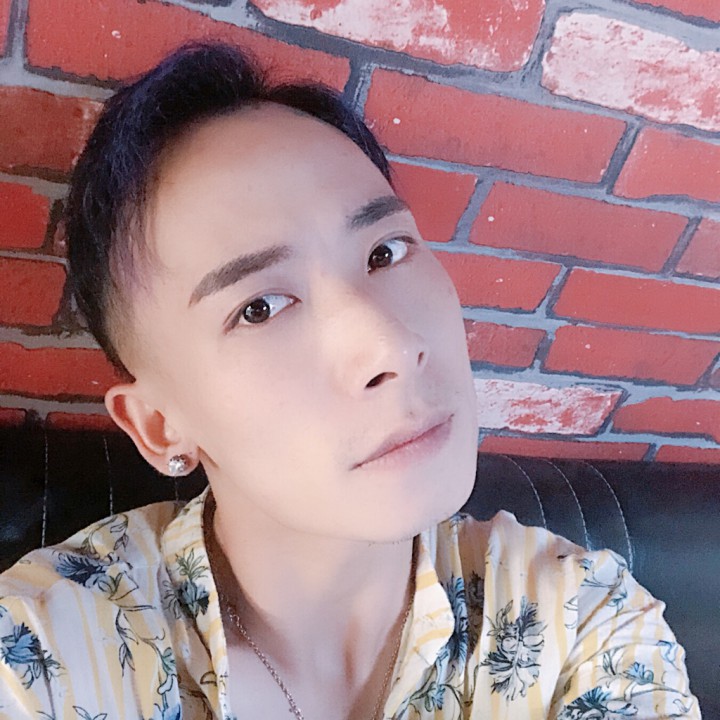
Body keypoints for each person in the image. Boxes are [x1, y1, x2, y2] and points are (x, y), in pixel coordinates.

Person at [0, 43, 699, 720]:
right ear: (160, 425)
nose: (390, 346)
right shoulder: (45, 657)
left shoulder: (585, 624)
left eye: (385, 251)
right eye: (259, 307)